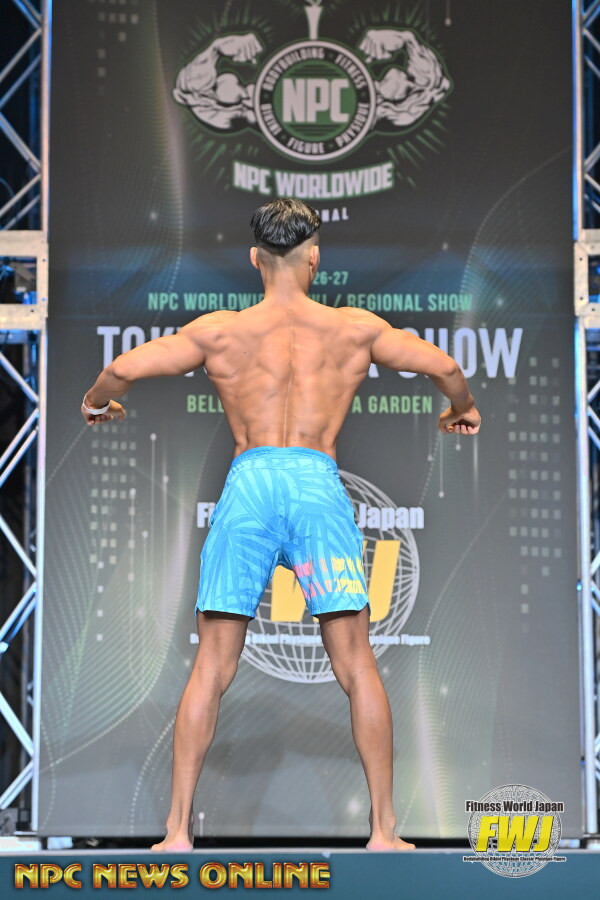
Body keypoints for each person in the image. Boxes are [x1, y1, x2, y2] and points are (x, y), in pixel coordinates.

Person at [80, 198, 481, 852]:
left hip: (251, 486)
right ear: (314, 257)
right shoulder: (353, 329)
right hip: (316, 487)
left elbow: (122, 370)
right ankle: (384, 831)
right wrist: (460, 409)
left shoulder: (220, 332)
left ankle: (176, 833)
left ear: (254, 259)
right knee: (355, 661)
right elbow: (446, 368)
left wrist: (98, 402)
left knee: (212, 664)